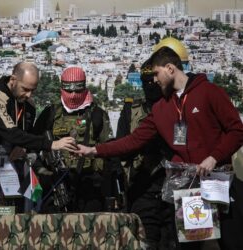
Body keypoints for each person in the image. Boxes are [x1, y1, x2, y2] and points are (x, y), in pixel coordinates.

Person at [76, 47, 243, 250]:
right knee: (195, 245)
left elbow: (237, 130)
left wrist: (214, 157)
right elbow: (134, 140)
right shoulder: (161, 108)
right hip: (188, 191)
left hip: (218, 183)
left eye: (156, 73)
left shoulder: (209, 92)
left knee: (231, 241)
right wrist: (95, 150)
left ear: (170, 68)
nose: (154, 80)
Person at [0, 62, 77, 212]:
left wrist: (23, 147)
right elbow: (11, 133)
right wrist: (51, 144)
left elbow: (25, 135)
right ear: (13, 80)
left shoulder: (28, 105)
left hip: (11, 178)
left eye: (33, 90)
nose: (29, 95)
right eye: (25, 89)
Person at [33, 66, 121, 213]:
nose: (73, 95)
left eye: (78, 90)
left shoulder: (97, 115)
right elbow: (33, 145)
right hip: (56, 184)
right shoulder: (50, 114)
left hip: (90, 185)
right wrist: (43, 172)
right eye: (69, 90)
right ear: (61, 88)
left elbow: (110, 151)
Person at [116, 59, 175, 249]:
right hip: (142, 187)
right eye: (145, 82)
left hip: (175, 186)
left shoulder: (178, 108)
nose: (150, 86)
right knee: (145, 241)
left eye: (153, 80)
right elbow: (121, 147)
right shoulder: (131, 110)